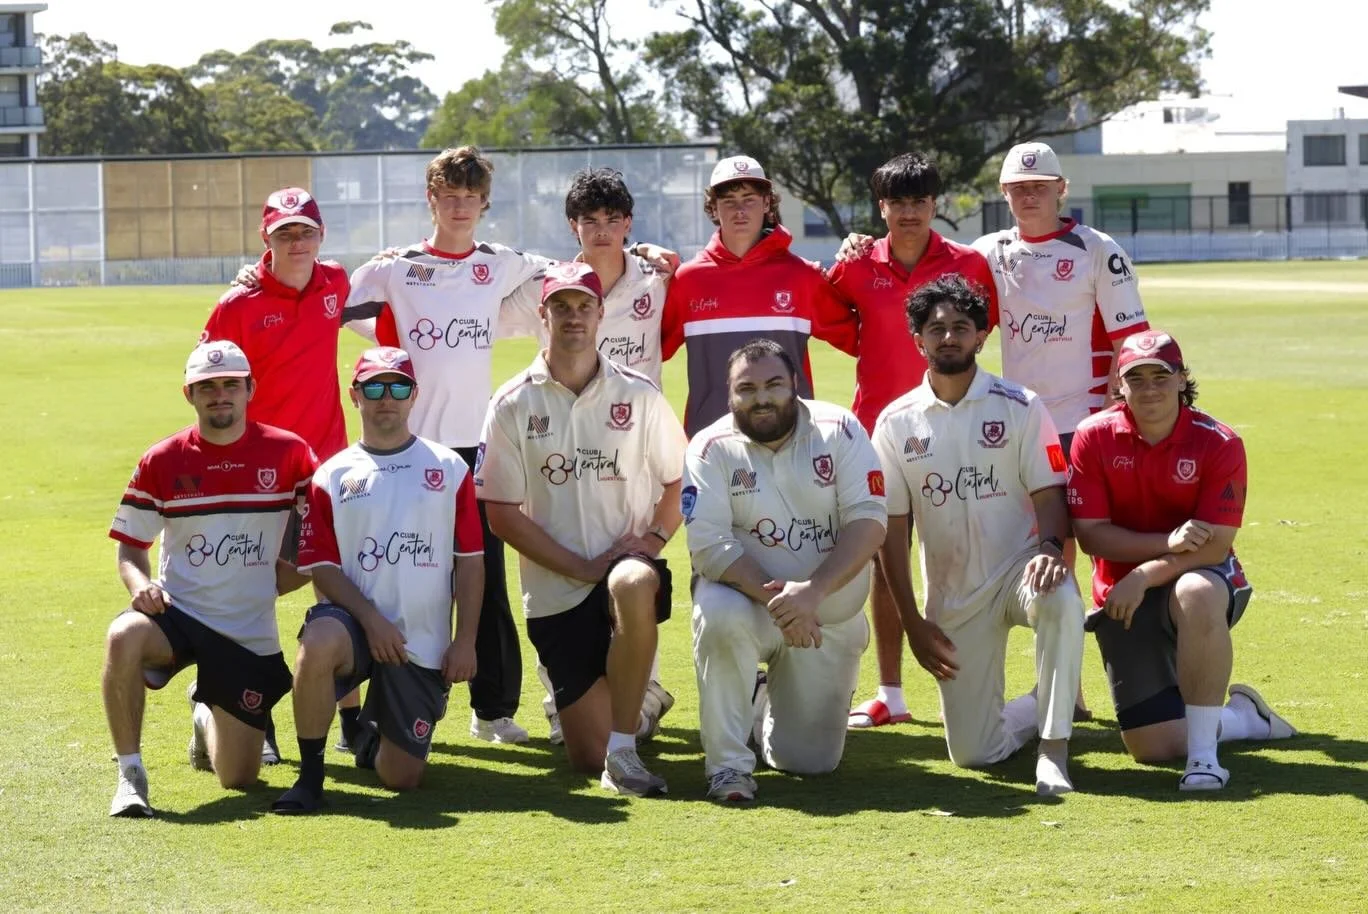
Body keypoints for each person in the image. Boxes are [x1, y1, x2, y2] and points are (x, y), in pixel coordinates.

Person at [346, 147, 679, 745]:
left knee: (487, 581)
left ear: (484, 204)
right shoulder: (396, 267)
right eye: (449, 197)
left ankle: (492, 708)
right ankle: (373, 708)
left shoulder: (501, 263)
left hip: (477, 446)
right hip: (411, 444)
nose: (460, 207)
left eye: (470, 198)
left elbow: (573, 267)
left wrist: (644, 254)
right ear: (432, 200)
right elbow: (345, 307)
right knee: (402, 572)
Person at [476, 262, 687, 797]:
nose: (573, 317)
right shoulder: (512, 402)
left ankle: (624, 753)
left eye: (584, 306)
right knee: (582, 756)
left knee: (633, 582)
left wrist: (654, 542)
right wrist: (581, 568)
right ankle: (641, 706)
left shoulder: (638, 393)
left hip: (625, 572)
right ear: (543, 314)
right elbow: (501, 513)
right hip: (555, 591)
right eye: (561, 307)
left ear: (601, 314)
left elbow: (680, 483)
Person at [871, 275, 1084, 796]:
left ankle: (1054, 748)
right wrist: (913, 621)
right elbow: (890, 530)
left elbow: (1050, 493)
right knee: (974, 754)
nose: (948, 337)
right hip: (954, 594)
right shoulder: (895, 423)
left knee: (1060, 598)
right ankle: (1041, 703)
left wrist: (1052, 549)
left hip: (1020, 569)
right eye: (935, 328)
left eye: (960, 327)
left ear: (981, 336)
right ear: (917, 339)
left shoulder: (1020, 405)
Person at [1068, 329, 1296, 790]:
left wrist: (1148, 573)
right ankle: (1244, 719)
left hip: (1197, 578)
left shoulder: (1220, 442)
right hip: (1123, 595)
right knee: (1154, 748)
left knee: (1196, 590)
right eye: (1137, 378)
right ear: (1120, 385)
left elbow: (1214, 547)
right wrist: (1169, 543)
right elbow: (1092, 536)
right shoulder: (1092, 437)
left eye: (1161, 376)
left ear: (1181, 379)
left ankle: (1204, 760)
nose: (1150, 388)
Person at [497, 166, 676, 743]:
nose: (601, 232)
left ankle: (638, 690)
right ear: (573, 226)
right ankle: (567, 699)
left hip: (634, 445)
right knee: (561, 565)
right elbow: (472, 317)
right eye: (589, 221)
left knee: (630, 570)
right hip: (560, 436)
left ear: (628, 224)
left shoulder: (657, 277)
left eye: (613, 220)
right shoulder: (545, 285)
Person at [103, 341, 316, 817]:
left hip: (247, 631)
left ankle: (205, 712)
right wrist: (141, 588)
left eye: (229, 385)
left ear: (249, 390)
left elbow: (321, 528)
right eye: (207, 387)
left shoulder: (290, 453)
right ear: (190, 395)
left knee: (238, 779)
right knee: (122, 636)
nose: (219, 395)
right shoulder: (162, 459)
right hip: (177, 614)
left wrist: (290, 574)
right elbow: (130, 548)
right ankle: (130, 776)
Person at [825, 152, 999, 730]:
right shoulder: (854, 266)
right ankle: (891, 693)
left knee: (961, 551)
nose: (908, 212)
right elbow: (834, 323)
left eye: (919, 201)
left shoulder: (968, 264)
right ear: (882, 207)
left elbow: (980, 327)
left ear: (934, 205)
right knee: (884, 557)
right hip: (878, 430)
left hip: (955, 426)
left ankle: (974, 679)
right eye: (897, 202)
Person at [272, 347, 484, 812]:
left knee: (400, 777)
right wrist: (370, 621)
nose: (386, 398)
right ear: (355, 396)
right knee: (320, 636)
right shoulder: (331, 475)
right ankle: (310, 778)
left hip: (420, 643)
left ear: (414, 396)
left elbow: (470, 561)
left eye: (398, 387)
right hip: (356, 627)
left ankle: (371, 735)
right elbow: (322, 566)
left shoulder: (450, 469)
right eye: (373, 387)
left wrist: (464, 640)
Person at [684, 340, 887, 803]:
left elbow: (869, 522)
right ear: (729, 395)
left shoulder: (840, 430)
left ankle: (760, 706)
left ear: (795, 384)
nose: (762, 398)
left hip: (825, 617)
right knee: (717, 614)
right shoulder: (710, 447)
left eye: (774, 384)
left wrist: (812, 595)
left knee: (809, 763)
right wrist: (787, 603)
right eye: (747, 388)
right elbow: (710, 547)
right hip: (750, 605)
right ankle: (727, 768)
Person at [206, 186, 355, 759]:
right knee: (254, 591)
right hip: (260, 476)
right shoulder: (237, 304)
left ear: (321, 236)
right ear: (265, 240)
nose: (297, 242)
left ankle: (351, 718)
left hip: (328, 468)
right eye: (284, 233)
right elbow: (209, 389)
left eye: (306, 231)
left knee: (337, 584)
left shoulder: (335, 283)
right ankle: (249, 710)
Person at [661, 154, 857, 437]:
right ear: (713, 208)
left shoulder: (802, 276)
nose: (739, 210)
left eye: (749, 199)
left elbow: (864, 340)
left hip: (791, 440)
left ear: (767, 203)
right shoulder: (687, 280)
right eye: (729, 201)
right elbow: (648, 350)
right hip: (712, 445)